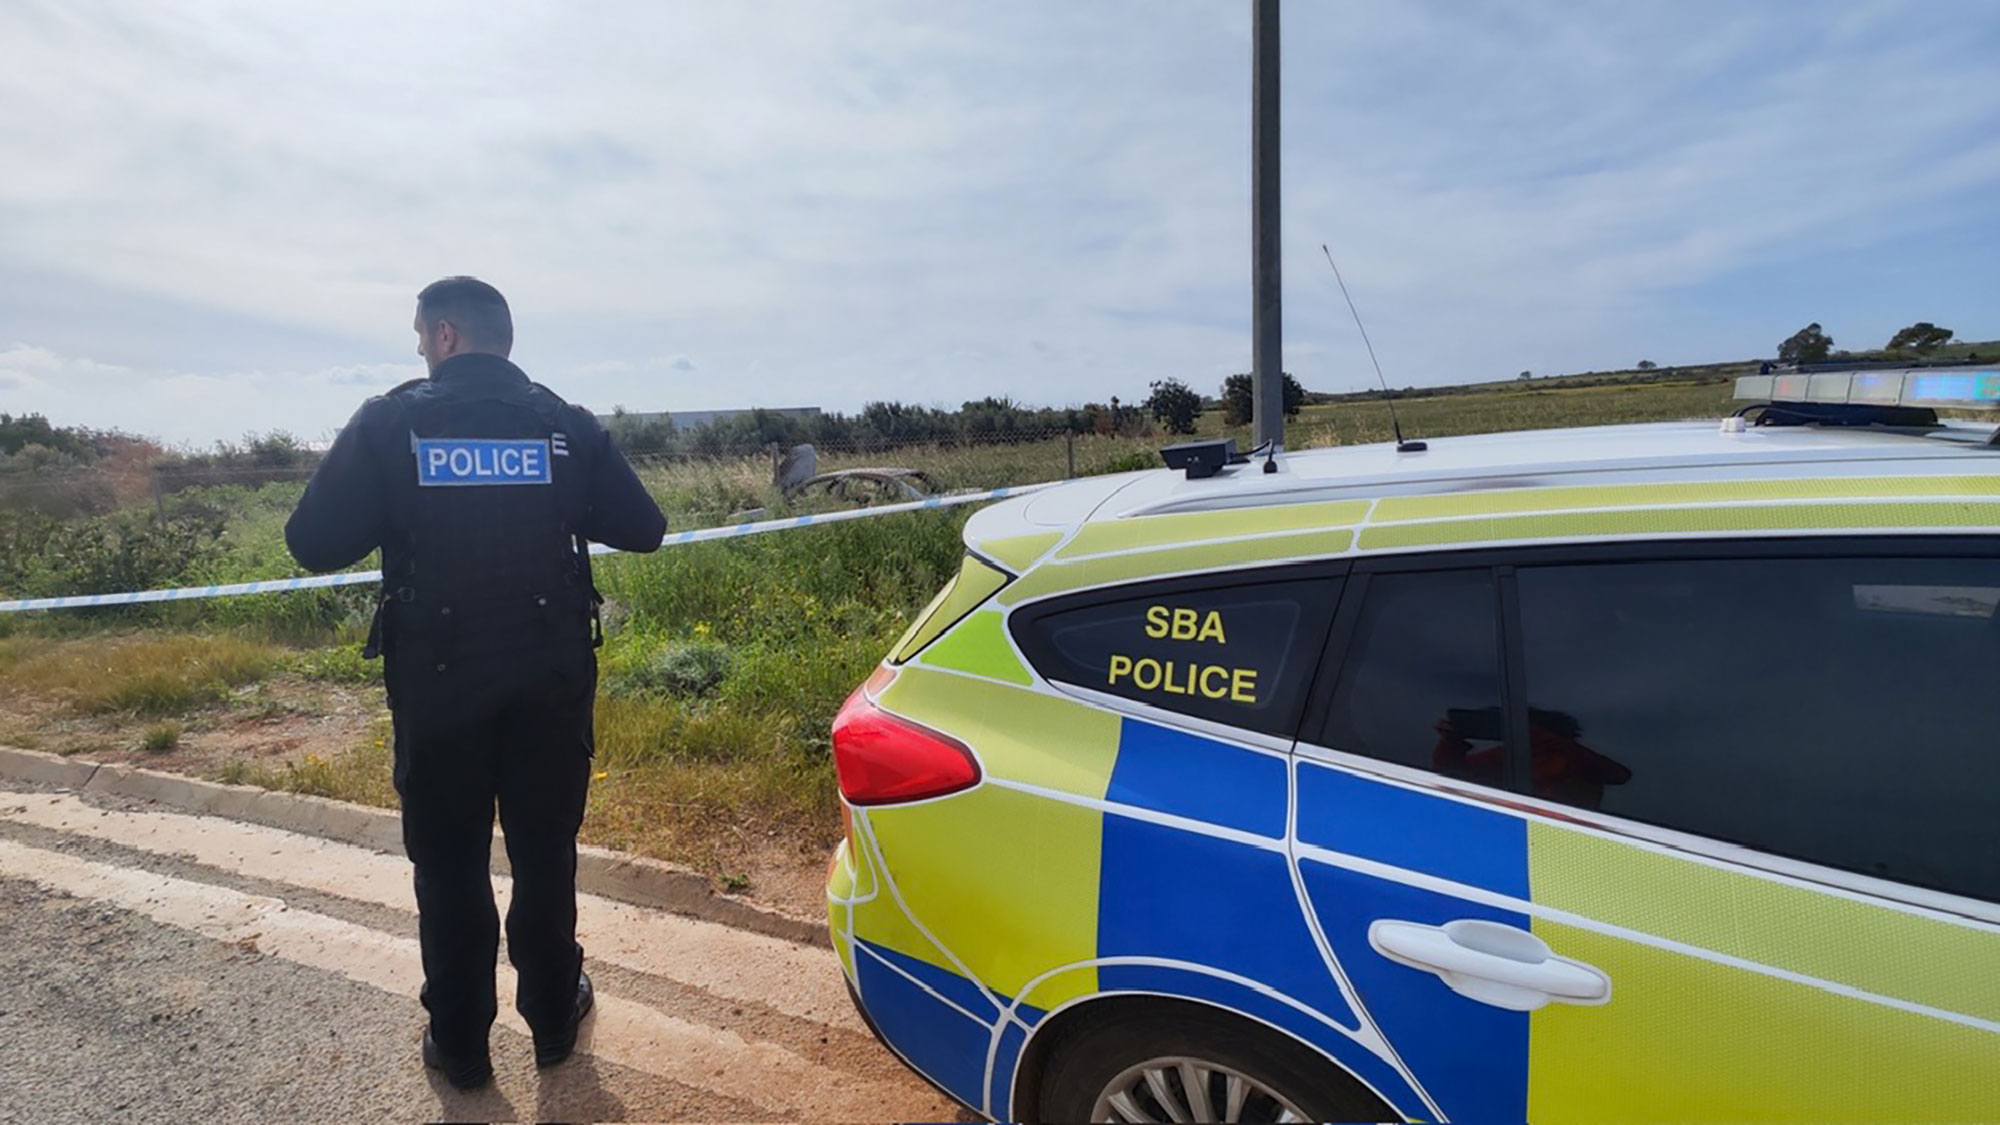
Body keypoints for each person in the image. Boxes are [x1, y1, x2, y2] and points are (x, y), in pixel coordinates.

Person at [284, 277, 666, 1089]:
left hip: (439, 683)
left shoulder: (390, 422)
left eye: (421, 336)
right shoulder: (563, 424)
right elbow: (644, 527)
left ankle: (459, 1045)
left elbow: (312, 543)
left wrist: (398, 498)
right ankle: (554, 1017)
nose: (420, 349)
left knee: (450, 861)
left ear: (447, 335)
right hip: (550, 677)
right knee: (544, 850)